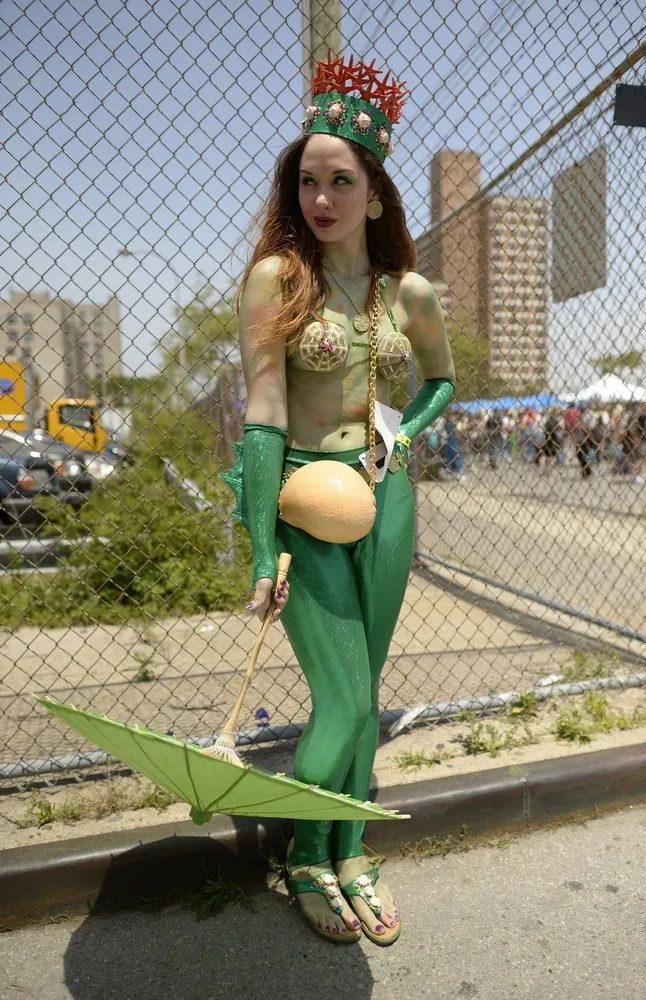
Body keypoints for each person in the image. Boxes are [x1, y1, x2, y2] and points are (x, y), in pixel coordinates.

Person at [222, 54, 455, 947]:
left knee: (368, 688)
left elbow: (439, 382)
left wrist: (403, 436)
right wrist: (260, 546)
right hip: (306, 503)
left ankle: (349, 848)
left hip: (385, 504)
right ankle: (306, 854)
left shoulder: (409, 292)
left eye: (341, 181)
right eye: (308, 181)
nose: (321, 198)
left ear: (377, 194)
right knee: (346, 699)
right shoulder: (276, 280)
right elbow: (264, 413)